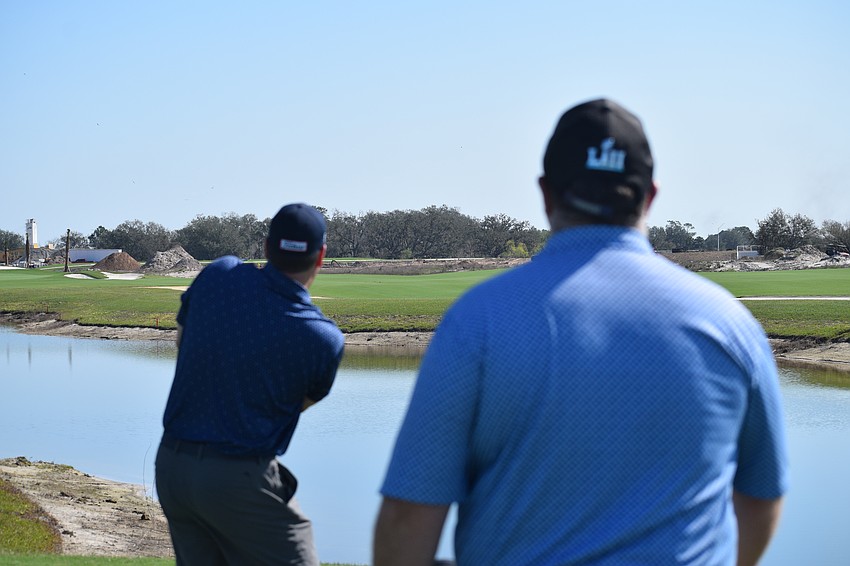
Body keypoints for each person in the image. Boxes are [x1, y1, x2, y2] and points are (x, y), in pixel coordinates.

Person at [374, 99, 789, 566]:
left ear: (547, 194)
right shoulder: (730, 325)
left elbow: (409, 518)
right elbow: (761, 495)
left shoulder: (478, 321)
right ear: (649, 196)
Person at [156, 203, 344, 565]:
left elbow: (183, 342)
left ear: (265, 246)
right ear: (320, 256)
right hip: (238, 475)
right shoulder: (323, 338)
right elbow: (294, 403)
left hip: (172, 468)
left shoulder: (218, 275)